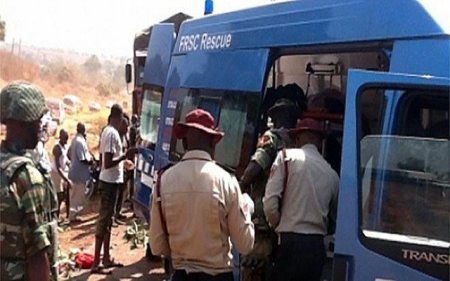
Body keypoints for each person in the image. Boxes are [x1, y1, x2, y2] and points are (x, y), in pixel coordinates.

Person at [149, 108, 255, 281]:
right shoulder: (227, 181)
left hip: (180, 275)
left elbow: (156, 246)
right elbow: (245, 244)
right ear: (213, 143)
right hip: (218, 276)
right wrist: (247, 210)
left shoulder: (163, 181)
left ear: (183, 143)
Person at [239, 93, 305, 281]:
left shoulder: (271, 138)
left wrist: (240, 186)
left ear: (275, 118)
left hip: (263, 216)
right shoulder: (297, 145)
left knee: (255, 266)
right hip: (288, 219)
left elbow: (255, 166)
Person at [263, 118, 339, 281]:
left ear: (297, 139)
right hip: (316, 248)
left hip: (290, 243)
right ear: (319, 143)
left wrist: (277, 224)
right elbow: (335, 216)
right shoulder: (332, 174)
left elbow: (270, 203)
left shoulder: (285, 157)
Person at [0, 81, 59, 281]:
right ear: (25, 123)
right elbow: (36, 254)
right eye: (37, 121)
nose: (40, 126)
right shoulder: (26, 176)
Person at [91, 104, 136, 274]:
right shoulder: (111, 133)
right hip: (108, 183)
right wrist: (126, 155)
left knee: (108, 221)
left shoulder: (111, 133)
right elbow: (108, 162)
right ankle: (96, 263)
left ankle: (106, 258)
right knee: (103, 222)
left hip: (113, 181)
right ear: (117, 118)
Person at [68, 122, 93, 222]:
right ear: (82, 130)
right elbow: (82, 158)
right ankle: (73, 216)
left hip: (76, 172)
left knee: (76, 195)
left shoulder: (76, 139)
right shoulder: (79, 141)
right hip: (79, 173)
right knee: (77, 196)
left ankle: (74, 215)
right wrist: (91, 162)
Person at [114, 114, 131, 223]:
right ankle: (114, 216)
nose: (126, 129)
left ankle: (118, 212)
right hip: (116, 170)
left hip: (124, 168)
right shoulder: (116, 137)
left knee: (121, 193)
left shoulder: (124, 137)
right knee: (116, 194)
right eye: (125, 126)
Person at [51, 129, 72, 219]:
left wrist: (71, 165)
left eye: (67, 138)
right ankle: (56, 218)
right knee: (59, 197)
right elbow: (58, 166)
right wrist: (66, 179)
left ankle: (68, 216)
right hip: (56, 174)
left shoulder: (64, 146)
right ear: (60, 137)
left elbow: (65, 160)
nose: (66, 141)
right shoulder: (57, 148)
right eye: (65, 138)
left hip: (63, 172)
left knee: (67, 195)